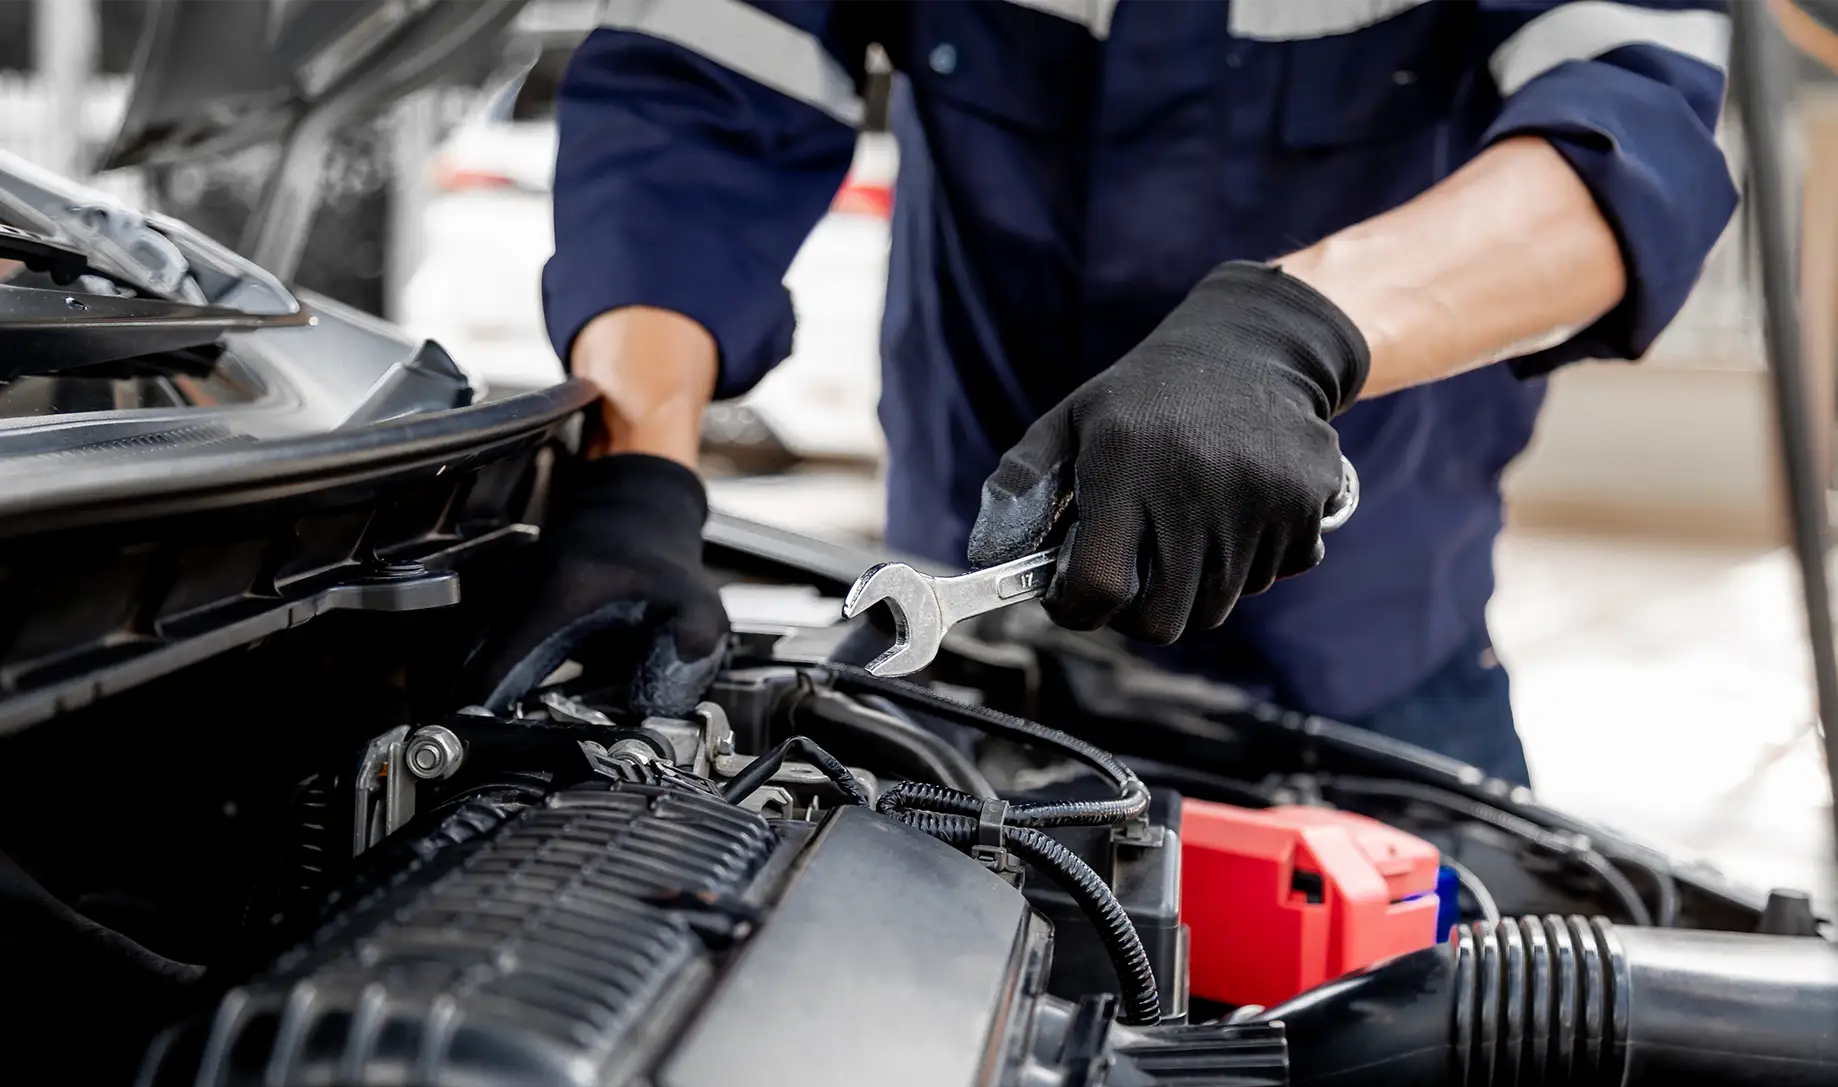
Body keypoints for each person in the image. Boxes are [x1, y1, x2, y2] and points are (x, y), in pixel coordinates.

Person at [480, 0, 1740, 788]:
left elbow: (1625, 151)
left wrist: (1289, 333)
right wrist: (640, 469)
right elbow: (697, 100)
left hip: (1371, 678)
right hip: (961, 670)